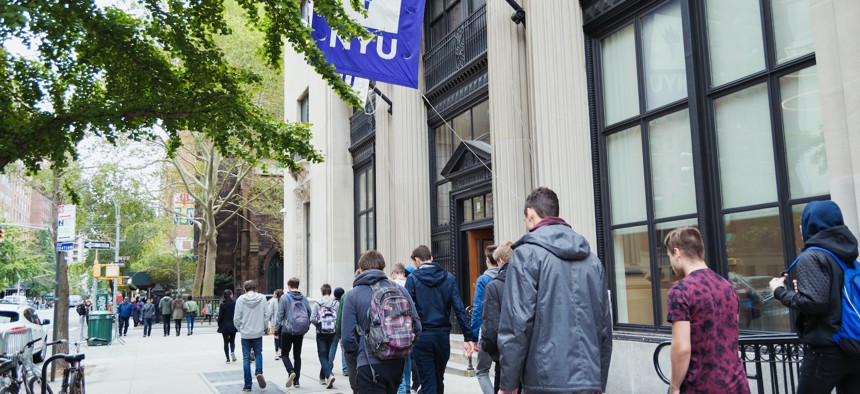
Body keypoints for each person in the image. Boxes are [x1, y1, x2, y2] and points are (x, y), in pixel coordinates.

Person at [497, 187, 612, 394]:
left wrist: (508, 385)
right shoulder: (593, 261)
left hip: (542, 382)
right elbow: (604, 328)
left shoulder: (526, 256)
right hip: (587, 382)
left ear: (530, 214)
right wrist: (599, 381)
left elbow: (516, 327)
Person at [769, 201, 860, 393]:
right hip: (853, 346)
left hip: (826, 350)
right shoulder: (847, 255)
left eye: (803, 222)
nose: (800, 228)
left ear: (812, 223)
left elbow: (815, 303)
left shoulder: (811, 256)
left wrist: (779, 291)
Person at [664, 227, 749, 394]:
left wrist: (674, 387)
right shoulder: (727, 286)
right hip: (737, 383)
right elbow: (732, 335)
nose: (670, 264)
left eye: (669, 257)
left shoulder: (680, 291)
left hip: (701, 386)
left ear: (677, 252)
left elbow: (682, 347)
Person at [343, 250, 422, 394]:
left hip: (369, 364)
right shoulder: (400, 291)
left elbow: (347, 339)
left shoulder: (352, 295)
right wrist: (402, 347)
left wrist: (361, 351)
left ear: (361, 269)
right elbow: (417, 327)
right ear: (383, 269)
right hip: (397, 362)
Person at [405, 245, 475, 394]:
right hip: (442, 337)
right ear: (431, 258)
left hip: (422, 336)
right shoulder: (448, 278)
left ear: (417, 260)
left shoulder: (412, 279)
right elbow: (459, 308)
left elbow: (407, 310)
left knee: (428, 381)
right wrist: (468, 336)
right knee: (438, 379)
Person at [479, 241, 513, 393]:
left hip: (504, 356)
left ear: (499, 260)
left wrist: (487, 346)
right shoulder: (529, 281)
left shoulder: (493, 286)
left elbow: (491, 327)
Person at [471, 244, 498, 394]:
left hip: (488, 331)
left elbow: (477, 309)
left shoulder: (483, 280)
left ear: (488, 260)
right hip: (508, 330)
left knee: (482, 371)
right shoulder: (509, 276)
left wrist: (473, 335)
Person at [275, 277, 312, 389]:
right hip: (300, 331)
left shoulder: (284, 298)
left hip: (287, 330)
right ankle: (296, 382)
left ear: (289, 285)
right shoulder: (303, 298)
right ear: (298, 285)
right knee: (297, 356)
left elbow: (280, 315)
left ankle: (291, 371)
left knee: (285, 354)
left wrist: (276, 329)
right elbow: (309, 312)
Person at [234, 280, 268, 392]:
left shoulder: (240, 300)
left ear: (244, 289)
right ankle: (259, 372)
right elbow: (266, 315)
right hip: (258, 332)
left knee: (246, 357)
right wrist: (264, 326)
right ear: (255, 288)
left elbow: (236, 318)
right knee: (258, 353)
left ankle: (247, 385)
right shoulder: (262, 298)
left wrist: (240, 328)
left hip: (245, 333)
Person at [311, 284, 338, 388]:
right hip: (332, 332)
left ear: (322, 292)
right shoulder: (335, 303)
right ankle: (322, 377)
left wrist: (319, 325)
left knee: (322, 355)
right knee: (326, 354)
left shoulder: (318, 303)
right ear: (330, 292)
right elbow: (339, 317)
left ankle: (328, 375)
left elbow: (312, 318)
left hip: (321, 333)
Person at [218, 289, 239, 364]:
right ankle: (232, 351)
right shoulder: (234, 303)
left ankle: (227, 359)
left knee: (225, 342)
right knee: (232, 341)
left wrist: (219, 324)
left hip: (224, 325)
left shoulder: (222, 304)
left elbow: (220, 316)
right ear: (230, 294)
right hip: (233, 324)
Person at [266, 289, 284, 360]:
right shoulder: (285, 301)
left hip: (275, 323)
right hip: (284, 323)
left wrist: (269, 321)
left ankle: (277, 353)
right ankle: (281, 352)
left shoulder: (273, 301)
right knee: (282, 338)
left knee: (276, 338)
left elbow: (270, 312)